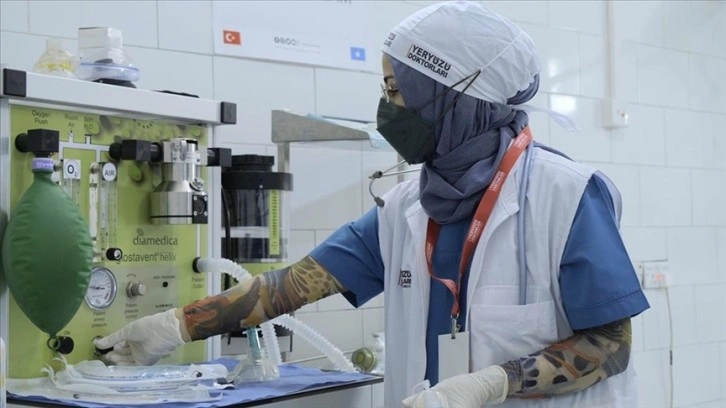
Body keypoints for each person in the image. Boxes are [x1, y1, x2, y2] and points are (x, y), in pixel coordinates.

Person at [94, 2, 650, 407]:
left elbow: (611, 345)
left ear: (452, 97)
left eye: (397, 91)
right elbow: (291, 286)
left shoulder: (566, 195)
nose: (388, 108)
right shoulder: (407, 206)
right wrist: (173, 327)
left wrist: (495, 383)